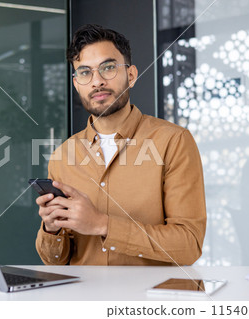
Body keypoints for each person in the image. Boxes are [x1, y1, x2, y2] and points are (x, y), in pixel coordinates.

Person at [35, 24, 206, 266]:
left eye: (108, 68)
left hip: (147, 301)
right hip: (82, 299)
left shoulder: (173, 142)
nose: (97, 81)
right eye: (85, 72)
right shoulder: (63, 155)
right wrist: (52, 229)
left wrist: (102, 224)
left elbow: (189, 246)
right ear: (76, 84)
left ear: (132, 75)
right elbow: (54, 261)